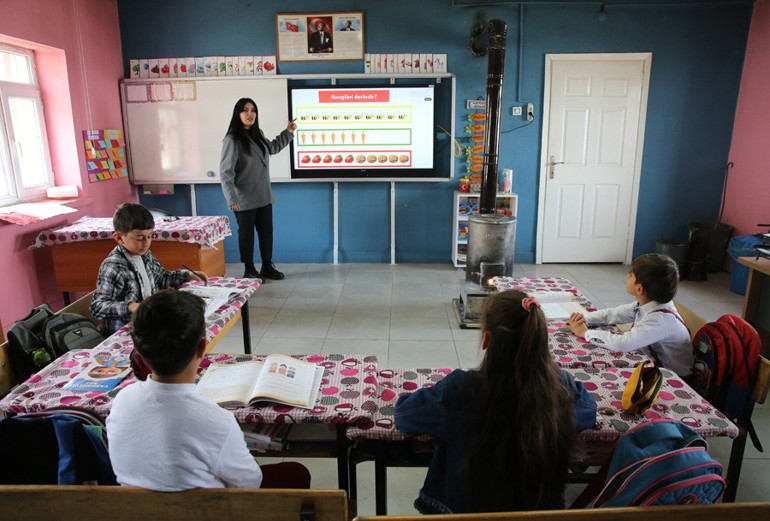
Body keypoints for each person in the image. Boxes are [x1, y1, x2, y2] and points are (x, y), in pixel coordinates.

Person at [394, 290, 597, 514]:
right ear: (539, 340)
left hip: (463, 513)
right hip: (539, 511)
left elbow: (405, 416)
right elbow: (588, 413)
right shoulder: (561, 388)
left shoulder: (459, 390)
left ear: (486, 339)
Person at [106, 290, 310, 490]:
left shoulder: (121, 402)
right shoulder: (217, 421)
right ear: (202, 347)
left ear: (138, 350)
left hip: (136, 511)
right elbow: (250, 483)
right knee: (296, 473)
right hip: (206, 511)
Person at [566, 253, 693, 377]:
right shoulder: (648, 304)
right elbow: (614, 313)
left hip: (673, 377)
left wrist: (585, 333)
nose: (627, 276)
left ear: (640, 289)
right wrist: (587, 318)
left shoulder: (660, 320)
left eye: (631, 275)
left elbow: (623, 343)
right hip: (653, 364)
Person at [90, 203, 207, 336]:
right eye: (140, 238)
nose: (146, 243)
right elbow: (98, 307)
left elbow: (160, 278)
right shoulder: (113, 266)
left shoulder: (145, 254)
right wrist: (130, 306)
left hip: (147, 325)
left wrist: (187, 275)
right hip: (124, 334)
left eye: (150, 236)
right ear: (119, 238)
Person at [220, 98, 296, 280]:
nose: (250, 114)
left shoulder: (258, 134)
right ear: (238, 114)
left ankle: (267, 266)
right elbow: (225, 172)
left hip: (263, 195)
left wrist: (288, 132)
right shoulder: (232, 139)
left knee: (266, 233)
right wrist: (231, 199)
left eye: (253, 110)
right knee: (247, 235)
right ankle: (249, 269)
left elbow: (273, 148)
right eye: (245, 110)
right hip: (243, 198)